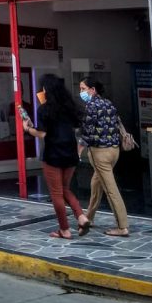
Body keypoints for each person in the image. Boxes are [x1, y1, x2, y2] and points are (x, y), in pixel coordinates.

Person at [21, 74, 91, 239]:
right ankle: (81, 217)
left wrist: (28, 128)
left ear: (47, 89)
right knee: (65, 189)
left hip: (53, 155)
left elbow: (42, 133)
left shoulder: (45, 109)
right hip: (70, 153)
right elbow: (75, 126)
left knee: (56, 193)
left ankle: (64, 229)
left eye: (43, 88)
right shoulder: (69, 106)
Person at [78, 77, 130, 237]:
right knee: (96, 184)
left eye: (83, 89)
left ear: (92, 90)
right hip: (114, 151)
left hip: (100, 152)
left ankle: (122, 226)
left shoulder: (91, 106)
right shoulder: (109, 103)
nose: (81, 92)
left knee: (110, 190)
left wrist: (79, 149)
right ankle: (89, 217)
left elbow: (87, 132)